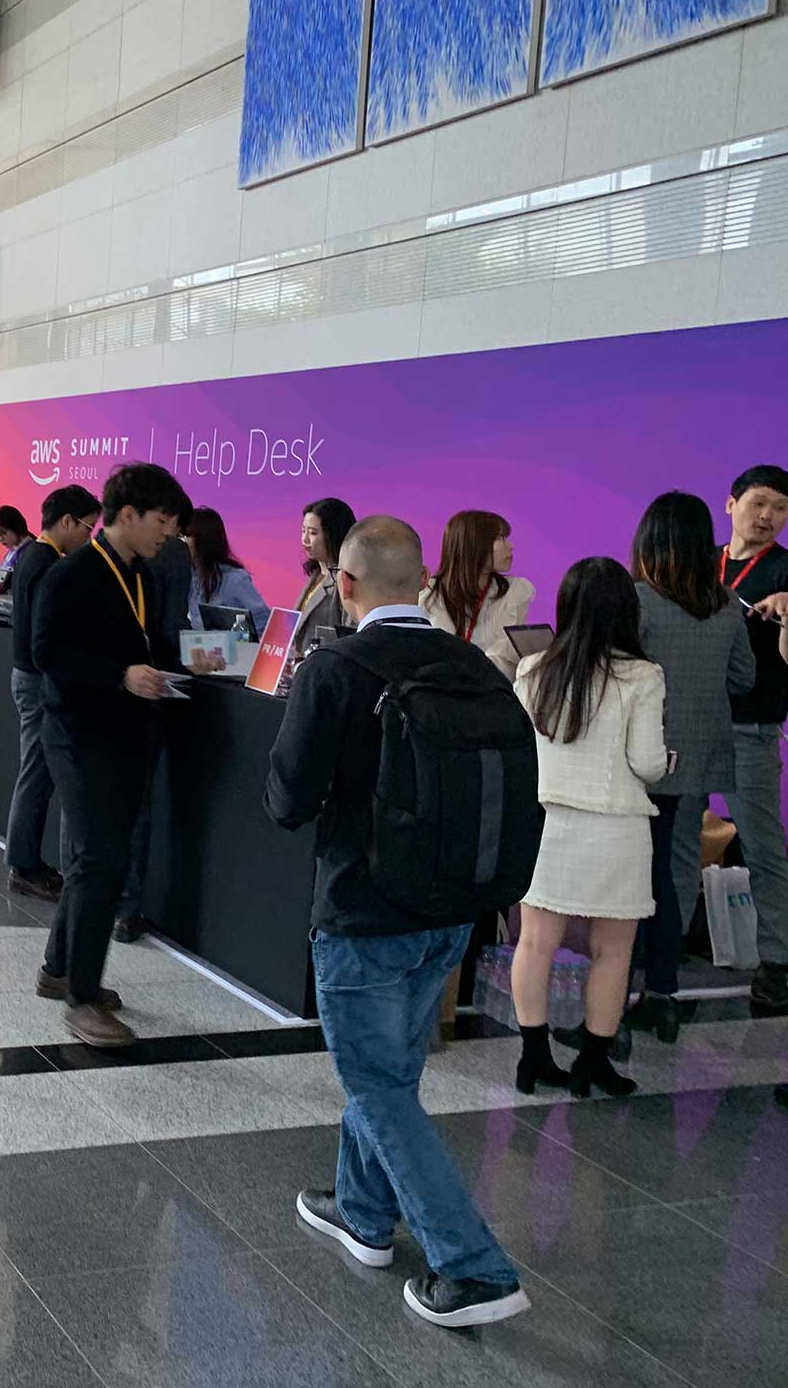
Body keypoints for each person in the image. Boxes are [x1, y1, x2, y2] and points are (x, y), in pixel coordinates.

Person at [265, 514, 533, 1330]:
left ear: (343, 584)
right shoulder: (474, 665)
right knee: (391, 1074)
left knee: (378, 1085)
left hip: (362, 912)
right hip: (451, 912)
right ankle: (363, 1213)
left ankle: (474, 1267)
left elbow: (286, 801)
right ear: (421, 583)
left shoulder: (334, 668)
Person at [31, 463, 190, 1047]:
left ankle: (57, 969)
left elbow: (145, 642)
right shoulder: (71, 573)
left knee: (95, 858)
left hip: (123, 735)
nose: (168, 534)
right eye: (162, 521)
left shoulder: (142, 574)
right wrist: (119, 675)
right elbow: (46, 653)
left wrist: (186, 661)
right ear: (128, 514)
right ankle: (83, 998)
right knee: (101, 858)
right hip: (77, 735)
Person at [512, 557, 666, 1098]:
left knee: (535, 944)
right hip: (616, 829)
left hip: (547, 825)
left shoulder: (532, 669)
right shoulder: (642, 676)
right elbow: (647, 762)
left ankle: (533, 1059)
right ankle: (593, 1064)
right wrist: (668, 761)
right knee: (613, 952)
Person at [628, 491, 755, 1042]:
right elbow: (744, 678)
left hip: (643, 760)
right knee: (678, 870)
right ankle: (665, 993)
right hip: (700, 759)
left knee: (637, 874)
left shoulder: (638, 600)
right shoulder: (725, 603)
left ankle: (622, 991)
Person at [3, 486, 101, 903]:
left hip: (29, 676)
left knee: (37, 773)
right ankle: (23, 866)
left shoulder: (32, 557)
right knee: (37, 773)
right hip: (37, 680)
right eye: (87, 528)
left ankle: (25, 862)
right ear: (66, 521)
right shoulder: (45, 564)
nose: (89, 537)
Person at [719, 465, 788, 1011]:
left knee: (763, 848)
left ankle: (778, 961)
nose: (767, 516)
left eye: (780, 509)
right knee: (672, 847)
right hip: (691, 724)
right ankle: (656, 963)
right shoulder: (701, 565)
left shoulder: (786, 572)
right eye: (758, 503)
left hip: (752, 727)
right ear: (731, 503)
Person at [421, 510, 536, 681]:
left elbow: (508, 662)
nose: (510, 546)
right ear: (473, 544)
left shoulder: (515, 592)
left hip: (493, 690)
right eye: (501, 538)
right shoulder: (427, 595)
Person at [184, 506, 270, 634]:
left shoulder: (234, 579)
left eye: (185, 536)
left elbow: (262, 622)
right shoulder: (185, 575)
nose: (180, 541)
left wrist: (236, 639)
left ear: (203, 539)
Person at [295, 496, 356, 647]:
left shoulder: (347, 579)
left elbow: (350, 634)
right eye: (303, 531)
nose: (305, 539)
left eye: (313, 533)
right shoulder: (316, 574)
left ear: (333, 535)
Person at [0, 505, 34, 573]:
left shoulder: (29, 552)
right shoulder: (13, 550)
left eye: (3, 533)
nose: (0, 538)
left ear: (17, 527)